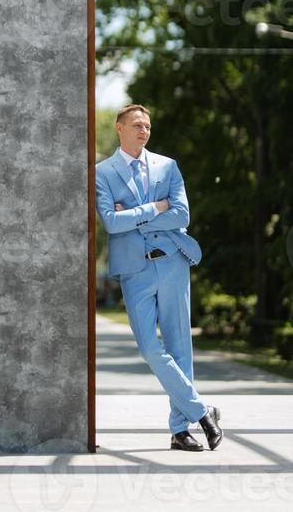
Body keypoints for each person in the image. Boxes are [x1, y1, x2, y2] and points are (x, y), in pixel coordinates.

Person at [95, 104, 223, 452]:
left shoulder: (168, 167)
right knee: (151, 349)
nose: (144, 131)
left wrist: (133, 216)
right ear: (120, 128)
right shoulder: (102, 172)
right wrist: (156, 208)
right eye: (137, 125)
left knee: (181, 347)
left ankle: (180, 431)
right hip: (134, 271)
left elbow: (182, 214)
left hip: (172, 264)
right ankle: (203, 412)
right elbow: (110, 222)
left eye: (148, 126)